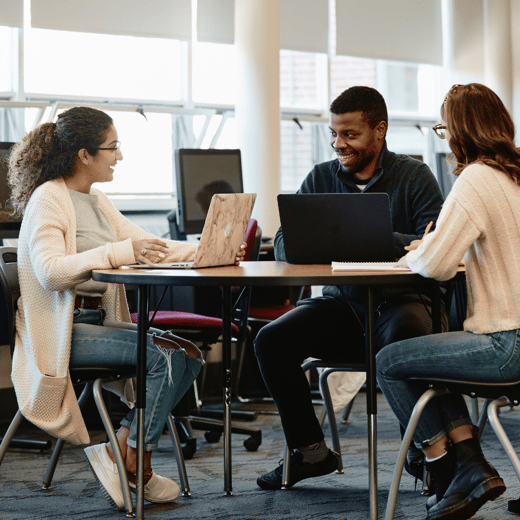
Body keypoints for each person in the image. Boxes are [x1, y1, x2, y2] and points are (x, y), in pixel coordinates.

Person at [7, 106, 246, 510]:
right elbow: (50, 273)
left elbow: (151, 246)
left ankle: (126, 451)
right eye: (112, 148)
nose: (119, 156)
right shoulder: (49, 199)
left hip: (95, 322)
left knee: (188, 355)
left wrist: (211, 251)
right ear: (84, 154)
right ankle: (136, 461)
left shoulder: (95, 200)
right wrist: (119, 252)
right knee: (163, 358)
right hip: (63, 332)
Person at [254, 86, 447, 490]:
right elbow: (286, 242)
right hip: (343, 306)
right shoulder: (322, 177)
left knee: (408, 339)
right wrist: (383, 242)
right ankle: (309, 452)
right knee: (271, 339)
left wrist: (365, 240)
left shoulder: (415, 176)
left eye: (350, 135)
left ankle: (423, 453)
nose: (338, 144)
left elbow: (433, 242)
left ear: (380, 130)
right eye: (334, 134)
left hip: (402, 305)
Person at [376, 83, 516, 520]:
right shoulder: (514, 175)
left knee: (390, 360)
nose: (445, 138)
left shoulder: (475, 178)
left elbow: (436, 265)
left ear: (459, 130)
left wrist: (416, 251)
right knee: (437, 354)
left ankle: (443, 466)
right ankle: (470, 466)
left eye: (443, 128)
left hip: (505, 345)